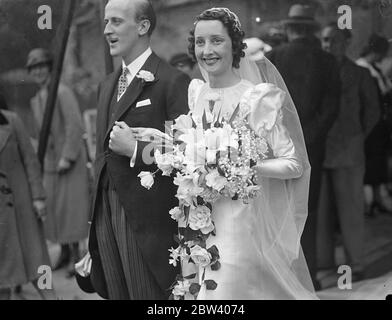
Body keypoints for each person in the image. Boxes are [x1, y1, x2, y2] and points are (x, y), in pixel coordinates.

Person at [177, 7, 316, 299]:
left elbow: (294, 164)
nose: (207, 50)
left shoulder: (256, 97)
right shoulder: (197, 93)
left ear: (234, 45)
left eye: (217, 40)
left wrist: (243, 165)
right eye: (200, 42)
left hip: (239, 227)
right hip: (199, 223)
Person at [79, 0, 190, 300]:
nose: (106, 30)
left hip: (147, 222)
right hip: (106, 214)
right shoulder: (107, 85)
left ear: (143, 26)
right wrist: (93, 226)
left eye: (116, 21)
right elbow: (101, 159)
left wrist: (137, 149)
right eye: (105, 22)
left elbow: (187, 159)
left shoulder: (172, 81)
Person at [265, 4, 341, 289]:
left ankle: (284, 278)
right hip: (312, 147)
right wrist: (308, 140)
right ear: (310, 30)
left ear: (290, 28)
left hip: (277, 151)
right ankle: (308, 280)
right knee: (307, 210)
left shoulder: (273, 58)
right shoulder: (327, 61)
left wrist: (282, 141)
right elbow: (331, 108)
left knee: (276, 212)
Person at [317, 24, 380, 283]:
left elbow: (373, 111)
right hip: (321, 151)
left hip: (349, 151)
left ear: (346, 43)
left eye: (334, 40)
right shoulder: (317, 73)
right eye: (325, 40)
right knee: (321, 212)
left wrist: (357, 136)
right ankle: (324, 262)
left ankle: (357, 262)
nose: (329, 45)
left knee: (351, 210)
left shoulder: (359, 73)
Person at [26, 48, 90, 277]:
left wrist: (68, 156)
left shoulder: (61, 92)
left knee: (71, 210)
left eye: (41, 66)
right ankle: (64, 252)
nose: (38, 72)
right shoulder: (38, 99)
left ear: (50, 68)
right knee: (55, 211)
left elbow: (74, 125)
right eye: (33, 69)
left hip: (68, 161)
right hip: (51, 163)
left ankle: (78, 257)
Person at [0, 94, 55, 300]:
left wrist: (38, 196)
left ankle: (52, 298)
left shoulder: (11, 120)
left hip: (23, 205)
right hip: (1, 216)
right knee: (3, 271)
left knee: (39, 261)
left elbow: (30, 160)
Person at [356, 34, 392, 216]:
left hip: (379, 125)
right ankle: (369, 202)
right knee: (370, 166)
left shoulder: (374, 68)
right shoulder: (363, 68)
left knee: (377, 164)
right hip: (371, 125)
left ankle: (376, 199)